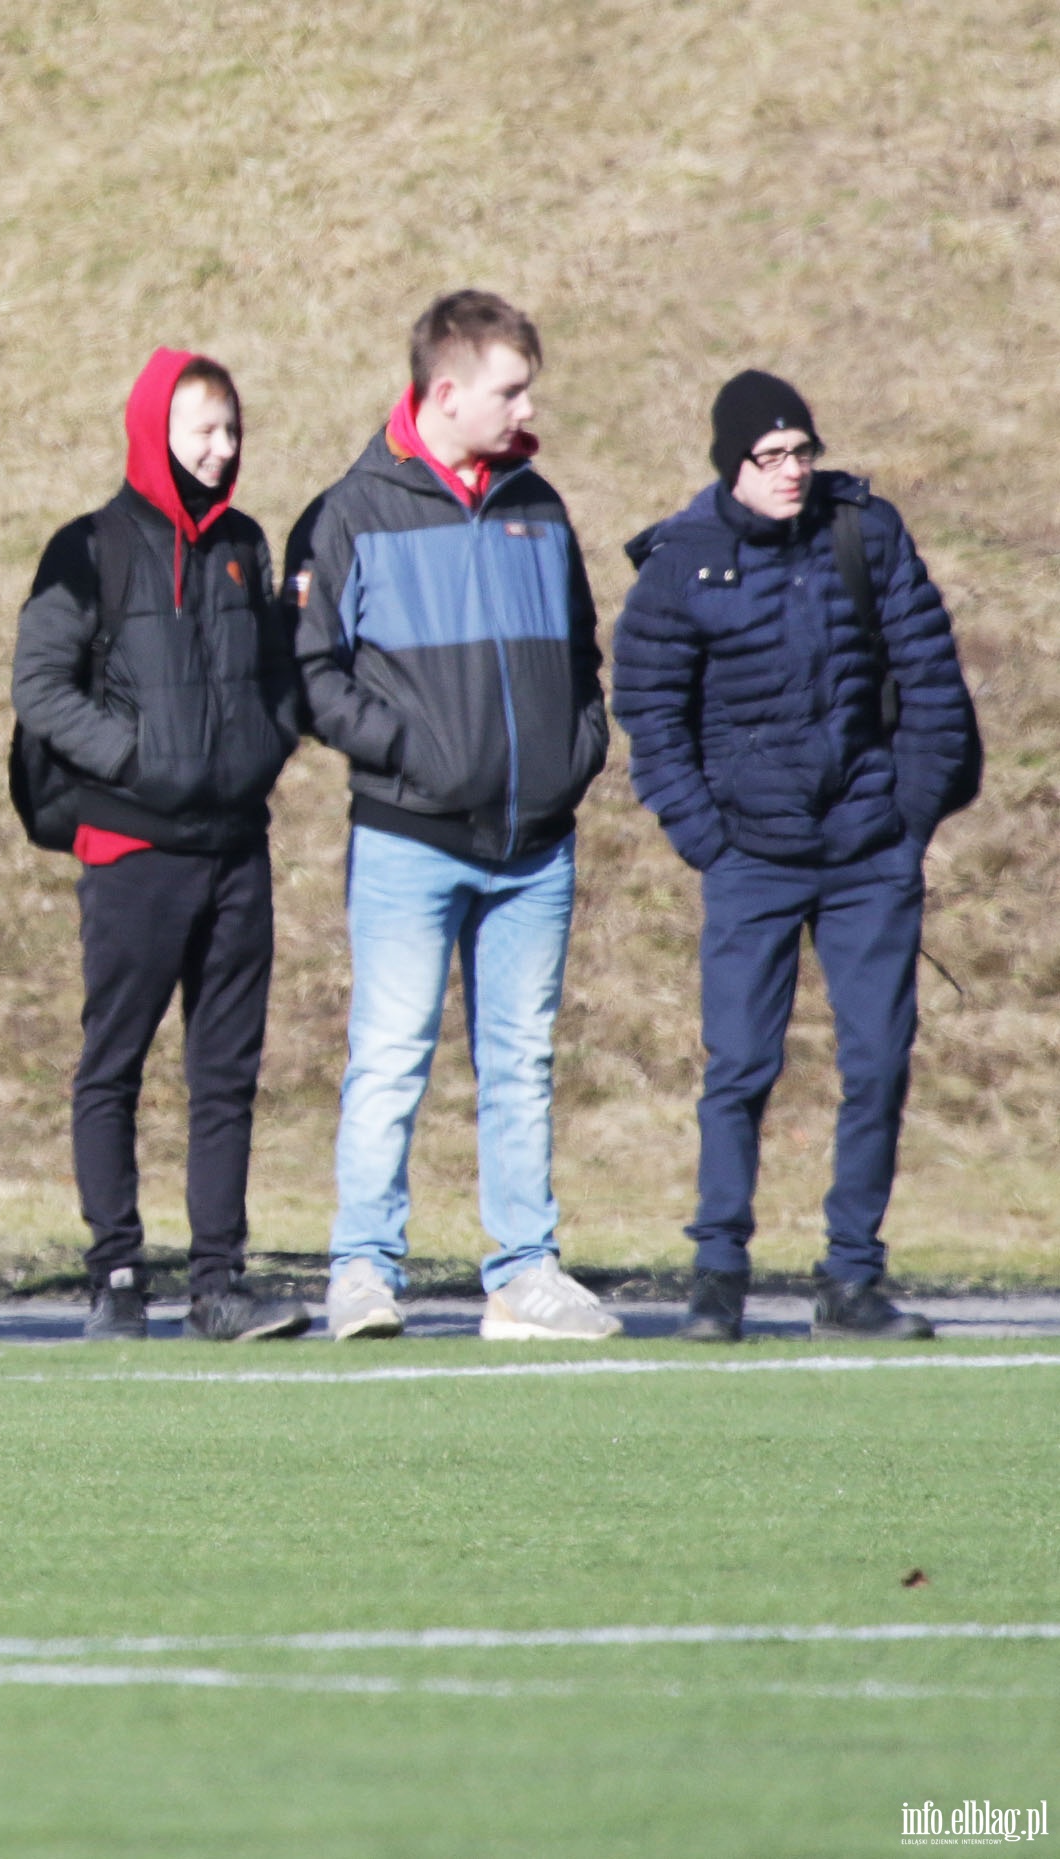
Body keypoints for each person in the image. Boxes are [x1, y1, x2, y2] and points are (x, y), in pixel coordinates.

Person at [614, 373, 979, 1343]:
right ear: (731, 464)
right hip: (751, 859)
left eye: (800, 452)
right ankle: (717, 1275)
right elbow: (649, 710)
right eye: (768, 456)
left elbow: (931, 679)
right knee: (738, 1064)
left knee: (877, 1062)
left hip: (868, 851)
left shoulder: (866, 531)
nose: (790, 472)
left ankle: (851, 1277)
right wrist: (705, 834)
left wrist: (906, 822)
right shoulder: (681, 562)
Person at [288, 290, 619, 1342]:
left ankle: (523, 1273)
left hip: (535, 849)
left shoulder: (539, 505)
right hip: (408, 839)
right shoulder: (352, 511)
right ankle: (362, 1271)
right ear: (444, 392)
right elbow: (312, 674)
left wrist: (577, 750)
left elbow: (579, 655)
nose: (527, 405)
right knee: (389, 1056)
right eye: (509, 387)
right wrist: (411, 754)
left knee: (519, 1062)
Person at [11, 349, 308, 1343]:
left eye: (230, 430)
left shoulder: (246, 545)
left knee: (225, 1073)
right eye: (200, 430)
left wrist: (260, 748)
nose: (220, 450)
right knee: (114, 1064)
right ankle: (120, 1277)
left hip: (236, 850)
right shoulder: (87, 547)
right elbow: (41, 688)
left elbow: (278, 676)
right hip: (132, 850)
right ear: (153, 429)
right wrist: (136, 760)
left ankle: (219, 1283)